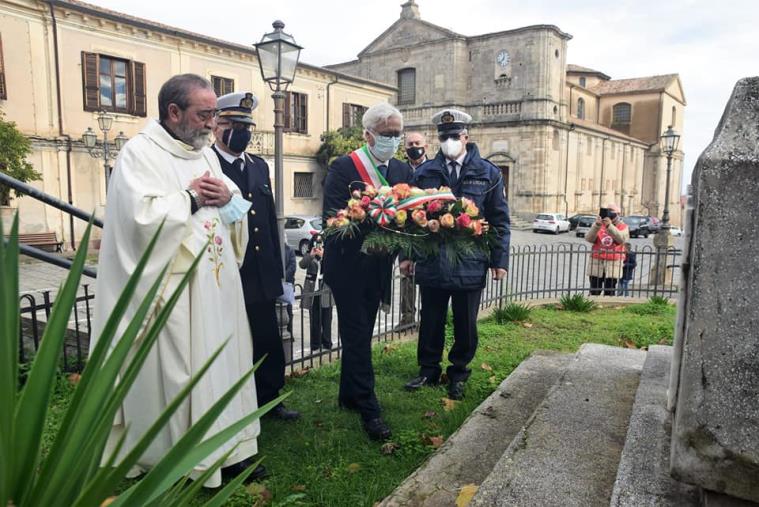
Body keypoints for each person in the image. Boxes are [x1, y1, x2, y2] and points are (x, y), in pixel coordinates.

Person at [91, 74, 265, 487]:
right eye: (204, 115)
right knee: (186, 372)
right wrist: (189, 199)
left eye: (213, 116)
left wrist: (228, 200)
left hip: (218, 288)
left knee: (224, 363)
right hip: (175, 292)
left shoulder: (202, 152)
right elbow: (138, 221)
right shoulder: (140, 154)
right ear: (174, 112)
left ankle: (231, 447)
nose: (212, 125)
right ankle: (183, 457)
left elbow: (229, 201)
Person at [401, 109, 511, 401]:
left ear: (466, 137)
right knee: (431, 320)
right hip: (432, 260)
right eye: (444, 136)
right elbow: (412, 218)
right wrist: (407, 255)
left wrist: (499, 261)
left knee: (465, 322)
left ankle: (459, 373)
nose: (449, 141)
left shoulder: (488, 173)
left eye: (454, 136)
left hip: (470, 262)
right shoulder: (424, 173)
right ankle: (428, 370)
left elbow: (500, 220)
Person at [322, 102, 412, 440]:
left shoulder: (403, 171)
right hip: (346, 265)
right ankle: (369, 407)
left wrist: (404, 252)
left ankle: (348, 395)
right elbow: (332, 216)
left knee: (361, 329)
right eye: (387, 134)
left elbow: (407, 216)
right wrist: (365, 234)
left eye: (397, 134)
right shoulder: (344, 167)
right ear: (368, 135)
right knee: (358, 331)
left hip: (379, 265)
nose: (393, 139)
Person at [212, 91, 299, 421]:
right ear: (217, 126)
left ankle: (269, 398)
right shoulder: (209, 165)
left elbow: (265, 219)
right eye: (234, 124)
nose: (241, 131)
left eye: (246, 125)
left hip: (261, 271)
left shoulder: (260, 166)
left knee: (267, 339)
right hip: (231, 271)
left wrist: (280, 272)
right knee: (232, 342)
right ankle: (235, 404)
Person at [395, 131, 429, 330]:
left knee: (425, 276)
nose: (413, 147)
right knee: (406, 275)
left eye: (417, 143)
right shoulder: (399, 169)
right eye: (409, 144)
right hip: (404, 229)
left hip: (426, 231)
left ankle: (427, 318)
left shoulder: (434, 169)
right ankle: (407, 318)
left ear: (426, 145)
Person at [585, 203, 630, 296]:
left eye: (611, 211)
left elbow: (622, 239)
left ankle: (607, 306)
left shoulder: (623, 226)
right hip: (597, 261)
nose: (608, 213)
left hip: (613, 263)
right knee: (594, 289)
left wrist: (610, 226)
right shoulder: (598, 225)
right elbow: (589, 238)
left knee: (609, 290)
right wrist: (596, 226)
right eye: (607, 210)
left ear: (617, 214)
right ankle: (593, 306)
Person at [299, 233, 334, 350]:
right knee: (314, 317)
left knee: (327, 317)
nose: (318, 245)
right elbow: (302, 265)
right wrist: (311, 255)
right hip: (313, 287)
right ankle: (315, 343)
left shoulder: (328, 253)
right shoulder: (310, 253)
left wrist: (324, 256)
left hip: (325, 287)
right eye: (316, 242)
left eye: (320, 243)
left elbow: (333, 266)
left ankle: (327, 341)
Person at [284, 244, 296, 335]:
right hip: (275, 283)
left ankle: (289, 331)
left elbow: (292, 267)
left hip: (287, 284)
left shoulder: (290, 250)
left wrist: (283, 278)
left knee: (288, 309)